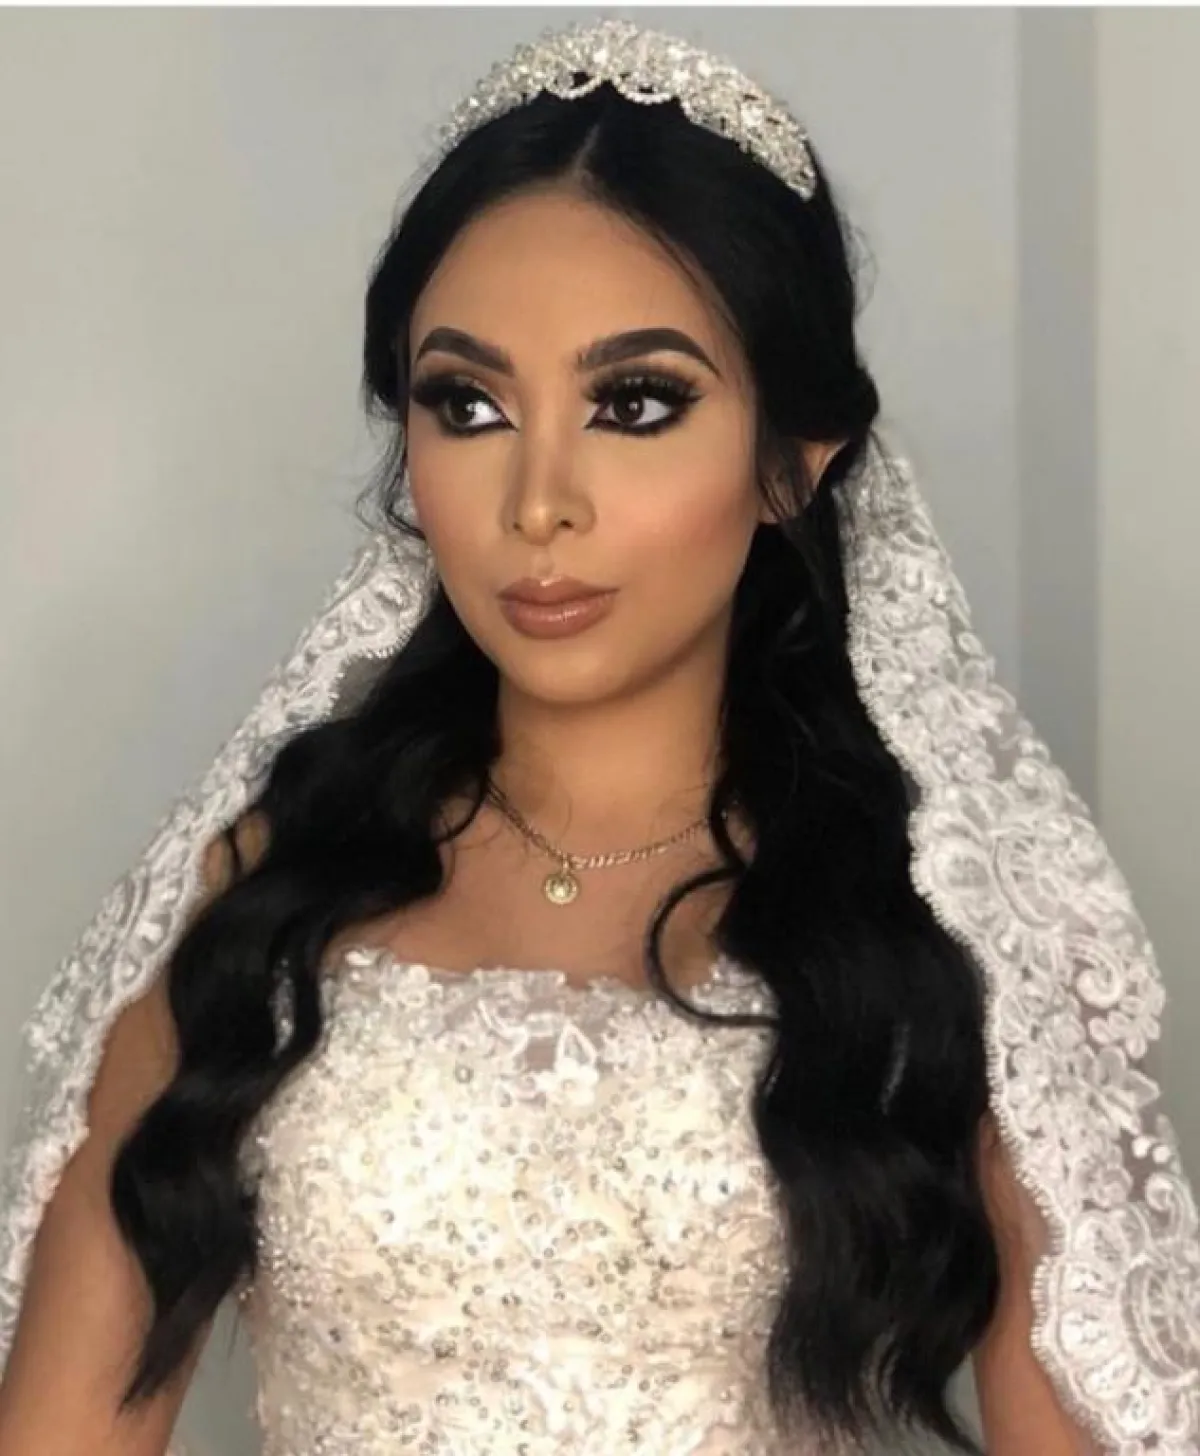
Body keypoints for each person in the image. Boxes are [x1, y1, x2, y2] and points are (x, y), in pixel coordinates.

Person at [0, 17, 1195, 1456]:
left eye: (636, 403)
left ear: (793, 461)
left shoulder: (943, 937)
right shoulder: (259, 903)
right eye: (469, 405)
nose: (538, 503)